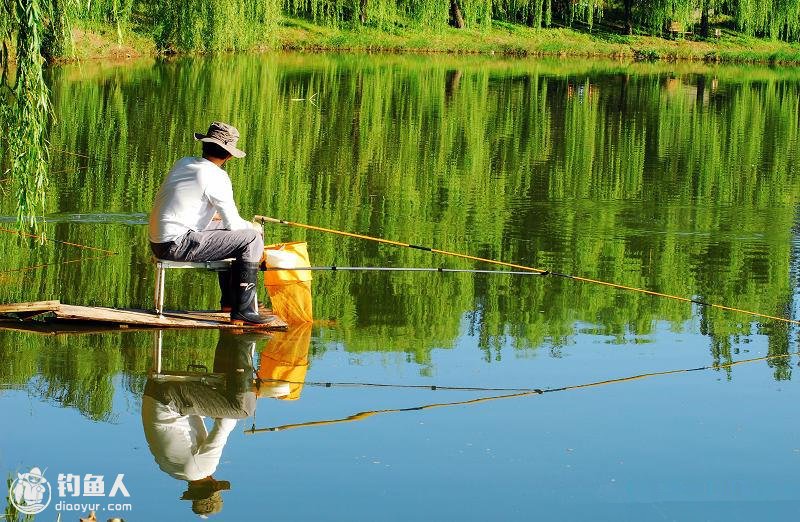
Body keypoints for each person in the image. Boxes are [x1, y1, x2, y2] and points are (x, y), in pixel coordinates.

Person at [149, 121, 269, 325]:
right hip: (176, 244)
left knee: (233, 235)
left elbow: (196, 209)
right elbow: (234, 224)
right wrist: (254, 227)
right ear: (229, 155)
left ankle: (231, 302)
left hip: (159, 241)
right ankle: (244, 310)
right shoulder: (217, 177)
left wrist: (225, 221)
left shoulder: (184, 163)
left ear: (204, 145)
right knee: (251, 239)